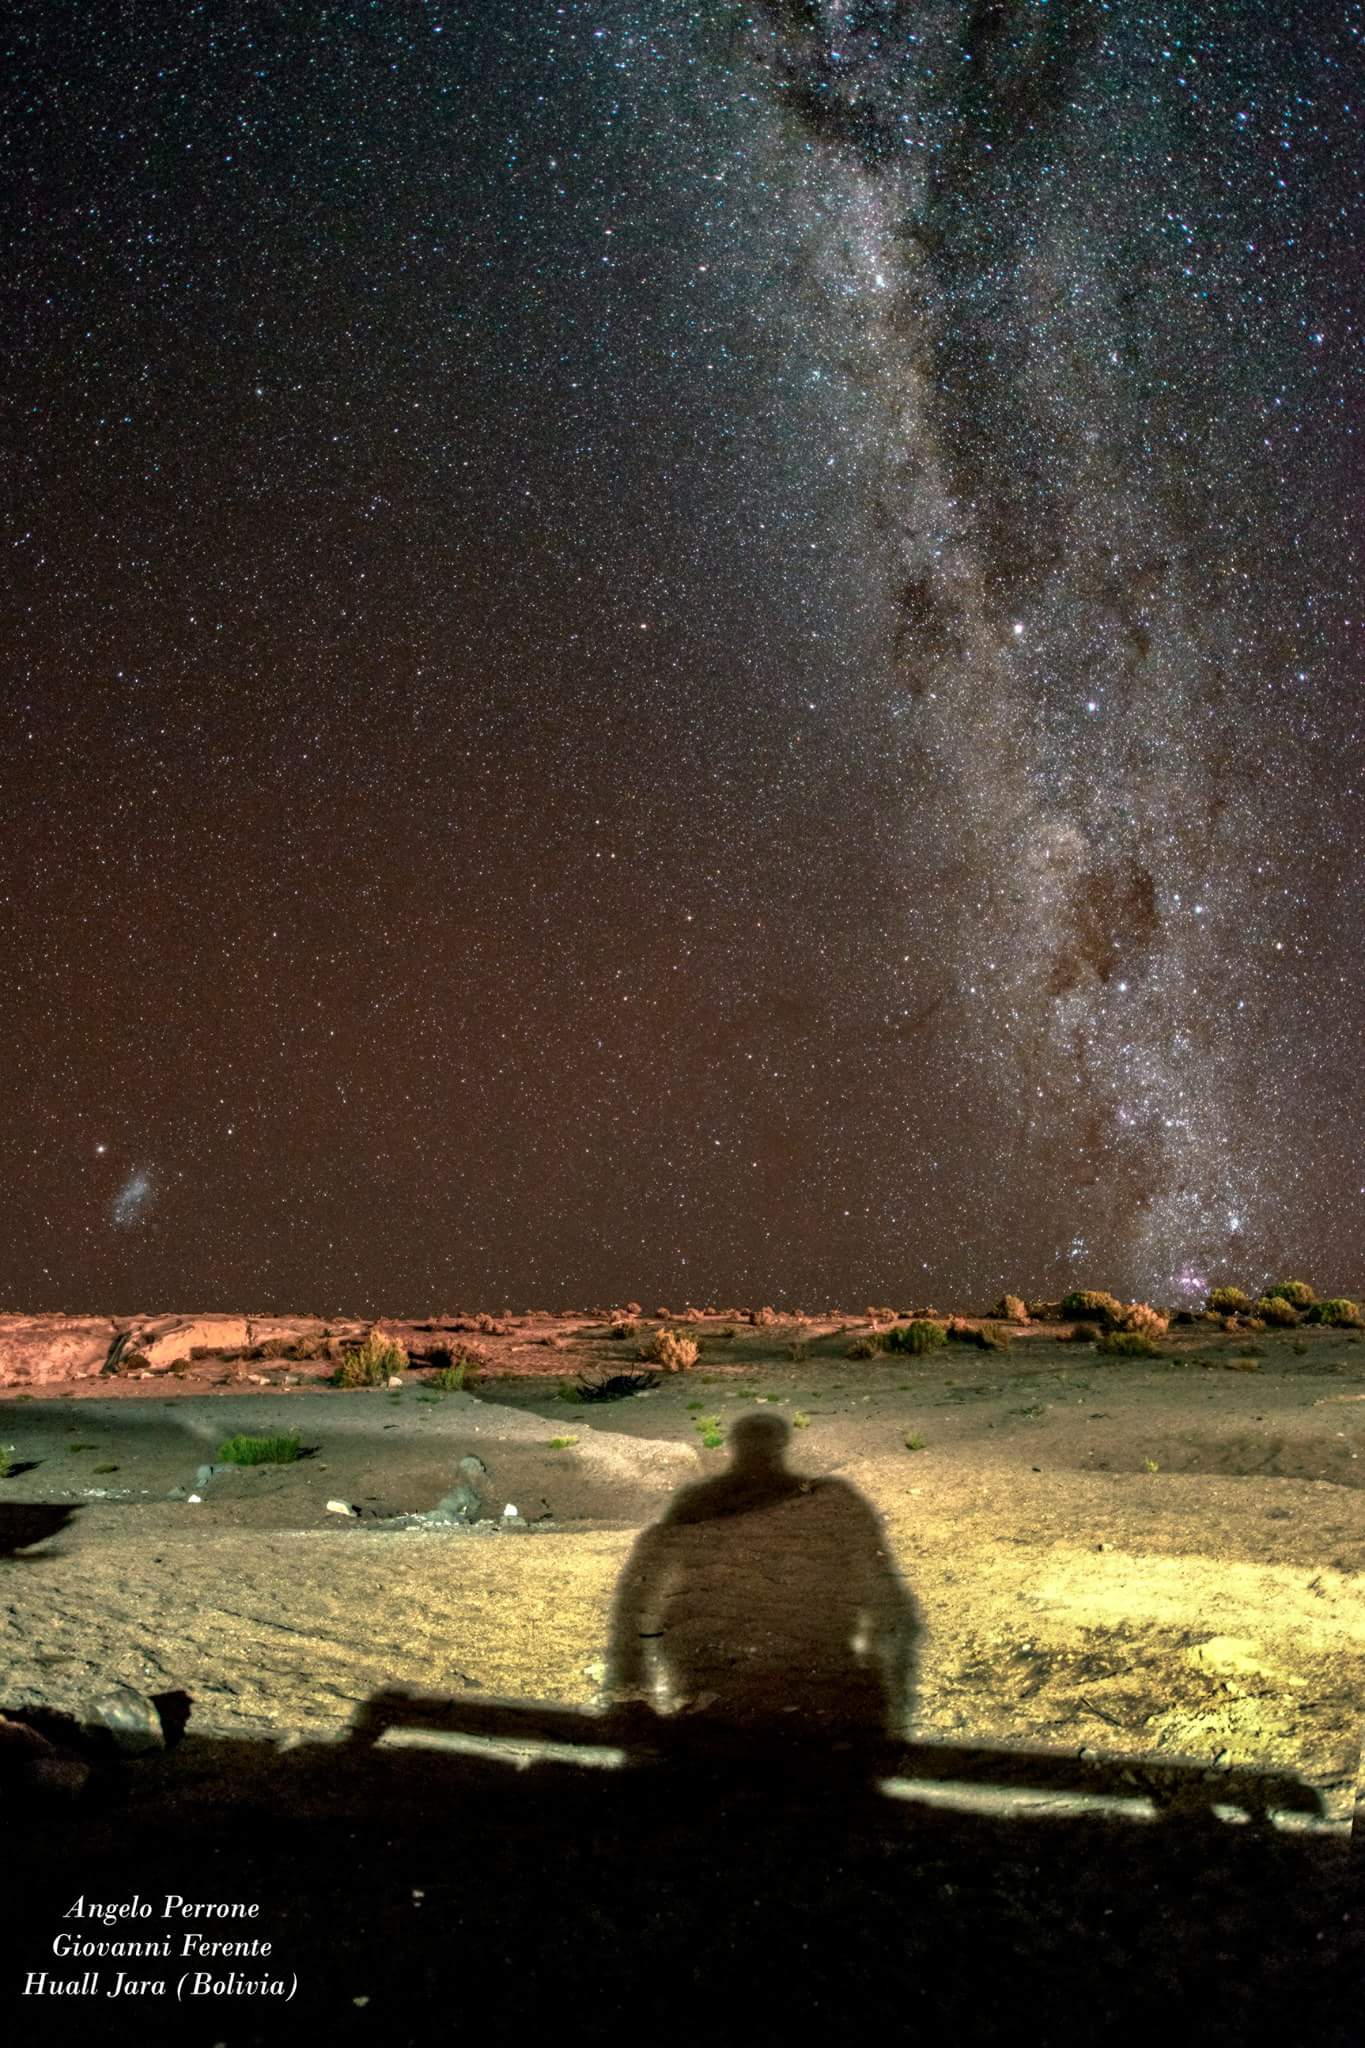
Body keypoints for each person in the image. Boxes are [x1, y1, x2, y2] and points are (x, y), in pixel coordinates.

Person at [606, 1410, 918, 1774]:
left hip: (741, 1676)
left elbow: (640, 1593)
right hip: (782, 1678)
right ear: (782, 1445)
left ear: (733, 1447)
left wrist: (633, 1686)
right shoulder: (827, 1501)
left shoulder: (699, 1503)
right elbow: (889, 1600)